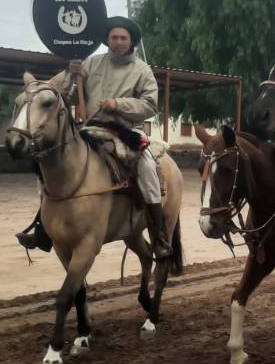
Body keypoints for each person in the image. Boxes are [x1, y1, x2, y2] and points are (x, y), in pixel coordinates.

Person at [16, 16, 173, 259]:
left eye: (123, 38)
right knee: (48, 164)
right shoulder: (90, 64)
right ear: (107, 40)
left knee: (148, 166)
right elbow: (62, 98)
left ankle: (159, 235)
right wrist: (72, 75)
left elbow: (150, 104)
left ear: (131, 41)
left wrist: (118, 104)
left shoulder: (142, 70)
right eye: (114, 37)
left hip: (127, 130)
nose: (119, 42)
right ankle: (42, 229)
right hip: (89, 129)